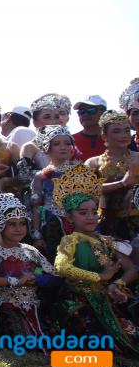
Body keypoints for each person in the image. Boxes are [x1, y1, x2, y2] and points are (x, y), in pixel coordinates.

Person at [52, 164, 139, 355]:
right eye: (83, 213)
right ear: (69, 217)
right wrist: (99, 277)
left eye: (94, 212)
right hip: (77, 300)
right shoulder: (70, 240)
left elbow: (132, 268)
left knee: (130, 337)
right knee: (95, 340)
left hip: (103, 298)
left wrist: (117, 284)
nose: (91, 217)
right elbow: (61, 266)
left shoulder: (106, 241)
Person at [0, 194, 59, 342]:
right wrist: (16, 281)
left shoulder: (31, 250)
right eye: (12, 224)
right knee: (22, 340)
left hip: (34, 304)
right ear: (1, 226)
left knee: (53, 336)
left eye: (22, 224)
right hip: (7, 305)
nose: (18, 228)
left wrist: (36, 277)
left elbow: (53, 274)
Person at [84, 110, 139, 240]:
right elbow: (84, 190)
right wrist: (121, 183)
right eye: (116, 131)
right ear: (104, 136)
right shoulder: (93, 162)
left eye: (126, 130)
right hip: (105, 223)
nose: (124, 135)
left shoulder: (137, 158)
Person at [29, 125, 76, 261]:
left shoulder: (80, 171)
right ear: (47, 148)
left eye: (67, 143)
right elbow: (36, 206)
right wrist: (37, 236)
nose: (63, 147)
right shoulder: (41, 176)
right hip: (51, 227)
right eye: (57, 143)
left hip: (77, 225)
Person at [73, 95, 108, 161]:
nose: (85, 114)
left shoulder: (114, 140)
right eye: (81, 111)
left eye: (91, 110)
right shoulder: (69, 141)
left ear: (104, 113)